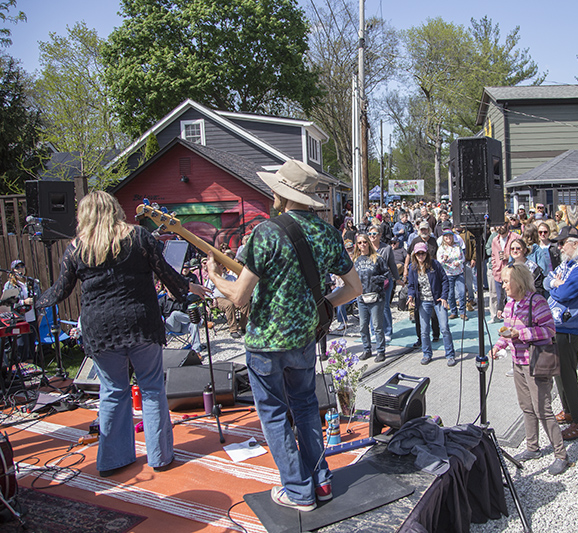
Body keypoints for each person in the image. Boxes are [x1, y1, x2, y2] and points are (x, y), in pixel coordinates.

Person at [207, 160, 360, 511]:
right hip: (304, 340)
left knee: (275, 414)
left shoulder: (266, 232)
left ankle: (298, 491)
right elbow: (354, 287)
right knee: (307, 408)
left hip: (265, 343)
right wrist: (325, 304)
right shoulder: (328, 233)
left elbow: (239, 296)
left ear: (282, 194)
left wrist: (214, 276)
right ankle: (321, 481)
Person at [36, 191, 208, 477]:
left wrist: (36, 302)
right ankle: (160, 456)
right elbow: (165, 273)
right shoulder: (138, 236)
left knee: (113, 392)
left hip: (101, 328)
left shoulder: (78, 247)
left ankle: (113, 460)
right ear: (115, 209)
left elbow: (60, 289)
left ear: (84, 215)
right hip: (140, 321)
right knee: (152, 388)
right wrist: (189, 289)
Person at [489, 265, 568, 475]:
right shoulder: (510, 305)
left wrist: (520, 333)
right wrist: (498, 346)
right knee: (526, 406)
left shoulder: (537, 301)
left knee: (543, 409)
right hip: (518, 362)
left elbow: (550, 330)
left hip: (536, 363)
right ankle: (533, 447)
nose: (503, 285)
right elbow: (506, 332)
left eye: (506, 281)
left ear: (519, 281)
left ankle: (561, 455)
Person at [545, 235, 578, 441]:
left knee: (568, 373)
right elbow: (549, 279)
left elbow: (565, 293)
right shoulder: (570, 263)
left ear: (575, 244)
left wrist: (557, 286)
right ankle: (568, 410)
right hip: (557, 324)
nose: (560, 248)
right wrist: (555, 283)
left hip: (569, 326)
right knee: (559, 371)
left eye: (563, 243)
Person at [407, 242, 457, 366]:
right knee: (424, 330)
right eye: (418, 253)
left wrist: (444, 296)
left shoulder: (435, 265)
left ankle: (450, 355)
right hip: (423, 301)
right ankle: (427, 354)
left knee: (444, 327)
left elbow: (445, 280)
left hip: (438, 300)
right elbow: (412, 285)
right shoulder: (412, 267)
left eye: (422, 253)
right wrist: (410, 296)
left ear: (426, 253)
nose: (420, 256)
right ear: (414, 255)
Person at [354, 234, 389, 362]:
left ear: (369, 243)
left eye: (364, 242)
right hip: (362, 298)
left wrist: (376, 280)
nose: (362, 245)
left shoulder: (377, 259)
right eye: (359, 243)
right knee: (363, 325)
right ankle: (367, 349)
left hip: (376, 296)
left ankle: (380, 351)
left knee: (377, 325)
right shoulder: (356, 260)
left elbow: (386, 274)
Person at [367, 225, 400, 342]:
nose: (372, 236)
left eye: (374, 234)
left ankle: (387, 331)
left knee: (385, 306)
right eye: (370, 234)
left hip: (385, 281)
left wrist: (397, 278)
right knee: (372, 306)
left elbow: (392, 265)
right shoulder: (366, 248)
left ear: (380, 235)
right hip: (370, 282)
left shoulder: (386, 248)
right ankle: (373, 331)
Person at [3, 260, 37, 361]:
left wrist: (40, 315)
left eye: (22, 266)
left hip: (32, 318)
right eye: (17, 267)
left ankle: (32, 368)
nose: (20, 268)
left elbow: (39, 299)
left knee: (31, 346)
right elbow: (7, 303)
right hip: (20, 319)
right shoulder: (9, 285)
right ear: (13, 270)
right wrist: (23, 302)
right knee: (22, 346)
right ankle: (23, 369)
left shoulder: (31, 282)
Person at [490, 222, 521, 323]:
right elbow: (493, 256)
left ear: (507, 225)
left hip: (513, 274)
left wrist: (508, 256)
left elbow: (522, 253)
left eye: (502, 224)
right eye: (498, 225)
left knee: (513, 300)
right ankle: (506, 324)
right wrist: (495, 268)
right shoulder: (495, 240)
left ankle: (515, 323)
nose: (500, 227)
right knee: (500, 300)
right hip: (499, 274)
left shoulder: (516, 237)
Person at [437, 228, 467, 321]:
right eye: (446, 236)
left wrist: (459, 262)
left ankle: (463, 312)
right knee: (450, 294)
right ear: (443, 238)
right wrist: (444, 259)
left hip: (459, 272)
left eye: (450, 235)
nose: (448, 237)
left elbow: (463, 258)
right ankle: (454, 312)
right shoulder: (441, 248)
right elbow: (439, 262)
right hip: (448, 273)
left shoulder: (457, 246)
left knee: (462, 292)